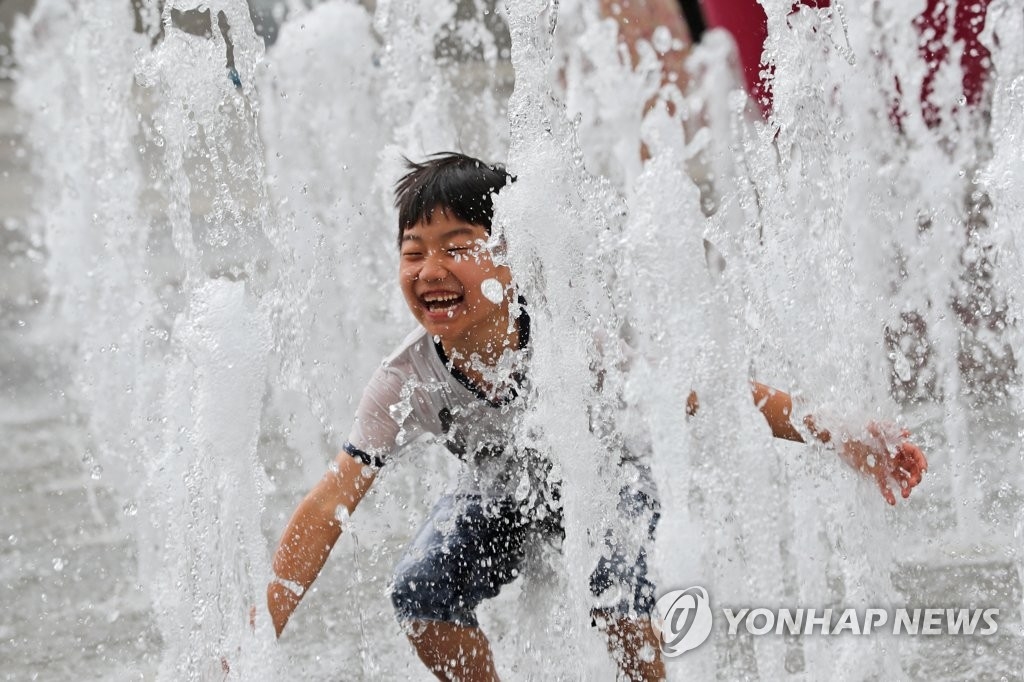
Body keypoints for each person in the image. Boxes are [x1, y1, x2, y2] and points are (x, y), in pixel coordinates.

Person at [265, 152, 927, 681]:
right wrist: (259, 631)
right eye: (414, 251)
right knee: (419, 594)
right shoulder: (403, 380)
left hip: (604, 479)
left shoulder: (574, 347)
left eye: (458, 245)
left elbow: (716, 393)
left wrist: (837, 432)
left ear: (512, 257)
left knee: (618, 599)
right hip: (496, 490)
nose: (430, 268)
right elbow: (329, 505)